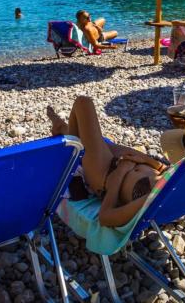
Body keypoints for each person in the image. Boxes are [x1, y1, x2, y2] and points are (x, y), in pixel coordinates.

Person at [46, 96, 171, 227]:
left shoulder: (150, 200)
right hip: (130, 162)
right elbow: (163, 169)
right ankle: (65, 131)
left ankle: (66, 134)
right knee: (89, 137)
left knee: (83, 103)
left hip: (106, 173)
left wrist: (121, 172)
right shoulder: (177, 183)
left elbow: (105, 218)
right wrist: (149, 162)